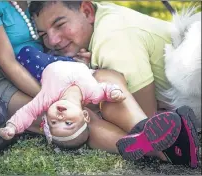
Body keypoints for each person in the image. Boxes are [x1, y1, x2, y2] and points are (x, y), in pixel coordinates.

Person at [29, 1, 200, 168]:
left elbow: (145, 115)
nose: (52, 40)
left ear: (87, 11)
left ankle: (168, 151)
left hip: (190, 90)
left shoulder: (111, 38)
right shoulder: (105, 15)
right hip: (188, 88)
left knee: (93, 100)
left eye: (59, 25)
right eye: (43, 34)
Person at [0, 46, 125, 149]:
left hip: (46, 64)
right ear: (85, 115)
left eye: (53, 122)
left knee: (27, 53)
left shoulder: (47, 98)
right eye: (68, 123)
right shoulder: (94, 94)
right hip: (75, 63)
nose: (59, 118)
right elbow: (106, 88)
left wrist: (12, 126)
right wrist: (115, 92)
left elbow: (28, 112)